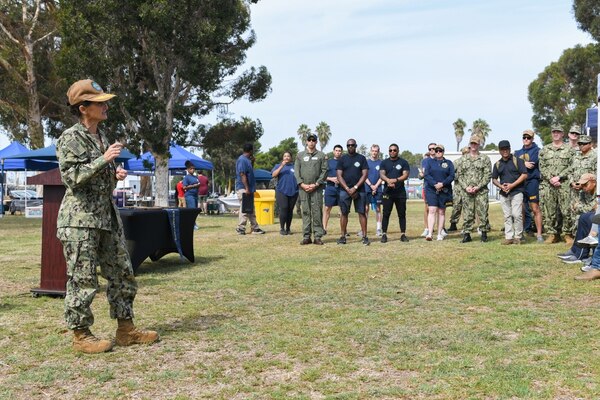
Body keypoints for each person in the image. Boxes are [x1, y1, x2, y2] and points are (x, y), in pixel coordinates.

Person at [56, 79, 158, 354]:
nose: (106, 106)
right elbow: (72, 178)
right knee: (83, 278)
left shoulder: (101, 136)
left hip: (105, 217)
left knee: (122, 272)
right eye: (100, 103)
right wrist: (104, 160)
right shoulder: (70, 137)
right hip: (80, 220)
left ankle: (126, 330)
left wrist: (114, 174)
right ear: (83, 107)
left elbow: (97, 179)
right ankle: (81, 335)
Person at [539, 125, 576, 244]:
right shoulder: (544, 149)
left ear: (562, 134)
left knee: (566, 210)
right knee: (550, 210)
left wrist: (559, 177)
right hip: (549, 185)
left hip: (564, 184)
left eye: (558, 132)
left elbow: (572, 166)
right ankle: (552, 234)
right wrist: (551, 178)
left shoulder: (569, 150)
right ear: (551, 134)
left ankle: (567, 234)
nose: (556, 134)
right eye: (554, 132)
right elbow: (542, 166)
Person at [491, 140, 528, 245]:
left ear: (510, 149)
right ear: (499, 151)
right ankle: (509, 237)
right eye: (502, 149)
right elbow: (494, 179)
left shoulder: (518, 161)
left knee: (517, 215)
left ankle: (518, 236)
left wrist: (512, 185)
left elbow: (524, 175)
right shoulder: (497, 164)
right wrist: (500, 186)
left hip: (517, 191)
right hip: (504, 193)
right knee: (507, 216)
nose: (505, 151)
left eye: (506, 149)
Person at [294, 134, 327, 245]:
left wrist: (316, 184)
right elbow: (296, 171)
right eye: (309, 140)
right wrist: (302, 184)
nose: (311, 142)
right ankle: (306, 236)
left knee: (317, 212)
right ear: (306, 142)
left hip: (316, 189)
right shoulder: (300, 155)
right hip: (303, 189)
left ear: (316, 142)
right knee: (306, 212)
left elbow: (324, 171)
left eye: (313, 140)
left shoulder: (322, 155)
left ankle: (317, 236)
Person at [457, 136, 491, 243]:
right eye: (472, 143)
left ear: (479, 144)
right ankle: (467, 234)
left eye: (476, 143)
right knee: (467, 213)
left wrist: (478, 186)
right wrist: (466, 187)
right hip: (467, 191)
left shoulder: (485, 158)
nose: (473, 146)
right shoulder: (463, 159)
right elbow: (459, 175)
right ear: (469, 144)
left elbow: (487, 175)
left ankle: (484, 233)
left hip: (481, 191)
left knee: (482, 212)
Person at [558, 173, 597, 264]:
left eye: (585, 184)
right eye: (581, 185)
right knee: (583, 217)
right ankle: (575, 250)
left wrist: (580, 206)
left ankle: (580, 254)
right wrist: (582, 206)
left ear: (594, 182)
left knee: (586, 217)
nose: (583, 187)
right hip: (590, 215)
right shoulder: (583, 192)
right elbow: (575, 206)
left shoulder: (598, 192)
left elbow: (593, 207)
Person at [336, 138, 369, 245]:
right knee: (344, 213)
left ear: (356, 146)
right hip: (344, 190)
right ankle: (342, 236)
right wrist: (347, 188)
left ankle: (364, 236)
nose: (350, 147)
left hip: (360, 190)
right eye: (348, 145)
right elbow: (339, 175)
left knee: (362, 213)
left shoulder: (361, 158)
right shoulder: (342, 159)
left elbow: (364, 175)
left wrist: (355, 187)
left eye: (352, 145)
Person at [514, 129, 543, 243]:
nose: (526, 139)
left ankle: (539, 235)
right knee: (520, 210)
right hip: (520, 183)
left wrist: (521, 163)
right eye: (524, 137)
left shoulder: (537, 151)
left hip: (532, 182)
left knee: (535, 208)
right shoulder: (518, 152)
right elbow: (514, 164)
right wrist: (523, 163)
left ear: (532, 139)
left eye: (528, 137)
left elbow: (531, 164)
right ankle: (520, 234)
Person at [379, 143, 410, 243]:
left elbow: (405, 175)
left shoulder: (403, 162)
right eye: (390, 150)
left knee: (401, 214)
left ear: (398, 151)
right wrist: (388, 181)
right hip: (387, 192)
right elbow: (381, 174)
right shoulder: (384, 162)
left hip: (400, 192)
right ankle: (384, 234)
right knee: (386, 213)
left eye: (394, 150)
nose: (392, 152)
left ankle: (403, 234)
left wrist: (395, 180)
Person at [423, 144, 454, 241]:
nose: (438, 152)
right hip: (432, 190)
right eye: (436, 151)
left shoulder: (449, 163)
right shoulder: (429, 162)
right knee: (432, 210)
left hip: (444, 190)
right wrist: (435, 184)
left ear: (443, 151)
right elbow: (426, 175)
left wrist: (443, 184)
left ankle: (440, 233)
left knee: (441, 212)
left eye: (440, 150)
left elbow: (452, 175)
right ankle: (430, 234)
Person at [235, 143, 265, 235]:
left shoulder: (247, 160)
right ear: (251, 151)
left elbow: (248, 171)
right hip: (244, 188)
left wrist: (252, 162)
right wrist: (247, 188)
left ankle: (255, 228)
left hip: (249, 188)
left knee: (250, 209)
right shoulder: (242, 160)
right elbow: (242, 174)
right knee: (244, 209)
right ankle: (240, 228)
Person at [272, 151, 299, 236]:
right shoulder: (278, 166)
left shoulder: (295, 166)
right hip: (281, 190)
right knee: (284, 208)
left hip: (294, 191)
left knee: (290, 210)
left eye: (288, 156)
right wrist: (281, 166)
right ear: (282, 158)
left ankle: (288, 228)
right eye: (285, 156)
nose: (286, 157)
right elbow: (274, 174)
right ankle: (282, 228)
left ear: (291, 158)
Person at [361, 144, 384, 237]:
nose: (374, 153)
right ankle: (364, 229)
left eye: (376, 151)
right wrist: (371, 185)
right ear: (370, 151)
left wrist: (376, 186)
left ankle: (379, 228)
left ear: (378, 152)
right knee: (365, 209)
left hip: (378, 188)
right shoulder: (366, 162)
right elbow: (364, 176)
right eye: (373, 151)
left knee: (378, 208)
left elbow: (382, 176)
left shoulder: (381, 163)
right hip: (367, 188)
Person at [448, 146, 469, 232]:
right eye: (465, 153)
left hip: (468, 189)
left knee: (468, 208)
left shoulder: (472, 162)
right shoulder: (457, 162)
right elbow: (451, 175)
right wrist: (459, 176)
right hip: (458, 189)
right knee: (456, 207)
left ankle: (467, 225)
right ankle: (453, 224)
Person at [323, 144, 343, 234]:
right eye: (336, 150)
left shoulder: (344, 162)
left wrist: (341, 180)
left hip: (342, 189)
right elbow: (322, 176)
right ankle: (324, 229)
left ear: (341, 152)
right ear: (333, 151)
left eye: (339, 151)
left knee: (343, 210)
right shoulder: (328, 162)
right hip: (330, 188)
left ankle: (343, 230)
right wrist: (331, 179)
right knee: (327, 209)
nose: (338, 152)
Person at [419, 143, 437, 237]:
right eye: (430, 149)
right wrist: (420, 175)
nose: (432, 150)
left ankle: (440, 228)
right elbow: (421, 174)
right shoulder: (424, 161)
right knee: (427, 208)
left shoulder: (440, 159)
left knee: (439, 209)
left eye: (434, 148)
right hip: (428, 187)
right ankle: (427, 228)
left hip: (439, 187)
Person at [182, 161, 200, 229]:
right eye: (191, 168)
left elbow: (198, 184)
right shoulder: (186, 177)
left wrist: (198, 186)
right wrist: (194, 186)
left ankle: (193, 223)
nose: (193, 170)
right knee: (192, 210)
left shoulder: (195, 177)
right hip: (189, 195)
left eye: (194, 168)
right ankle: (192, 225)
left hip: (195, 195)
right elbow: (184, 187)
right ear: (188, 169)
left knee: (195, 211)